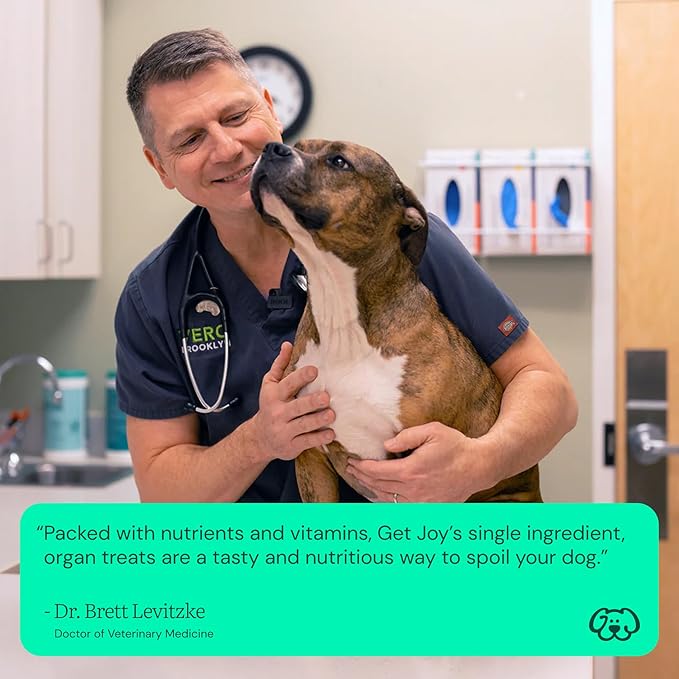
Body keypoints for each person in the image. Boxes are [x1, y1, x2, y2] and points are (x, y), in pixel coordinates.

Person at [115, 28, 578, 503]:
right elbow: (162, 494)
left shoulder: (389, 235)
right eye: (191, 139)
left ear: (269, 109)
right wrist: (258, 441)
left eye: (236, 116)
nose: (228, 148)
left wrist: (479, 462)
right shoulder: (154, 297)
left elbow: (551, 391)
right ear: (159, 166)